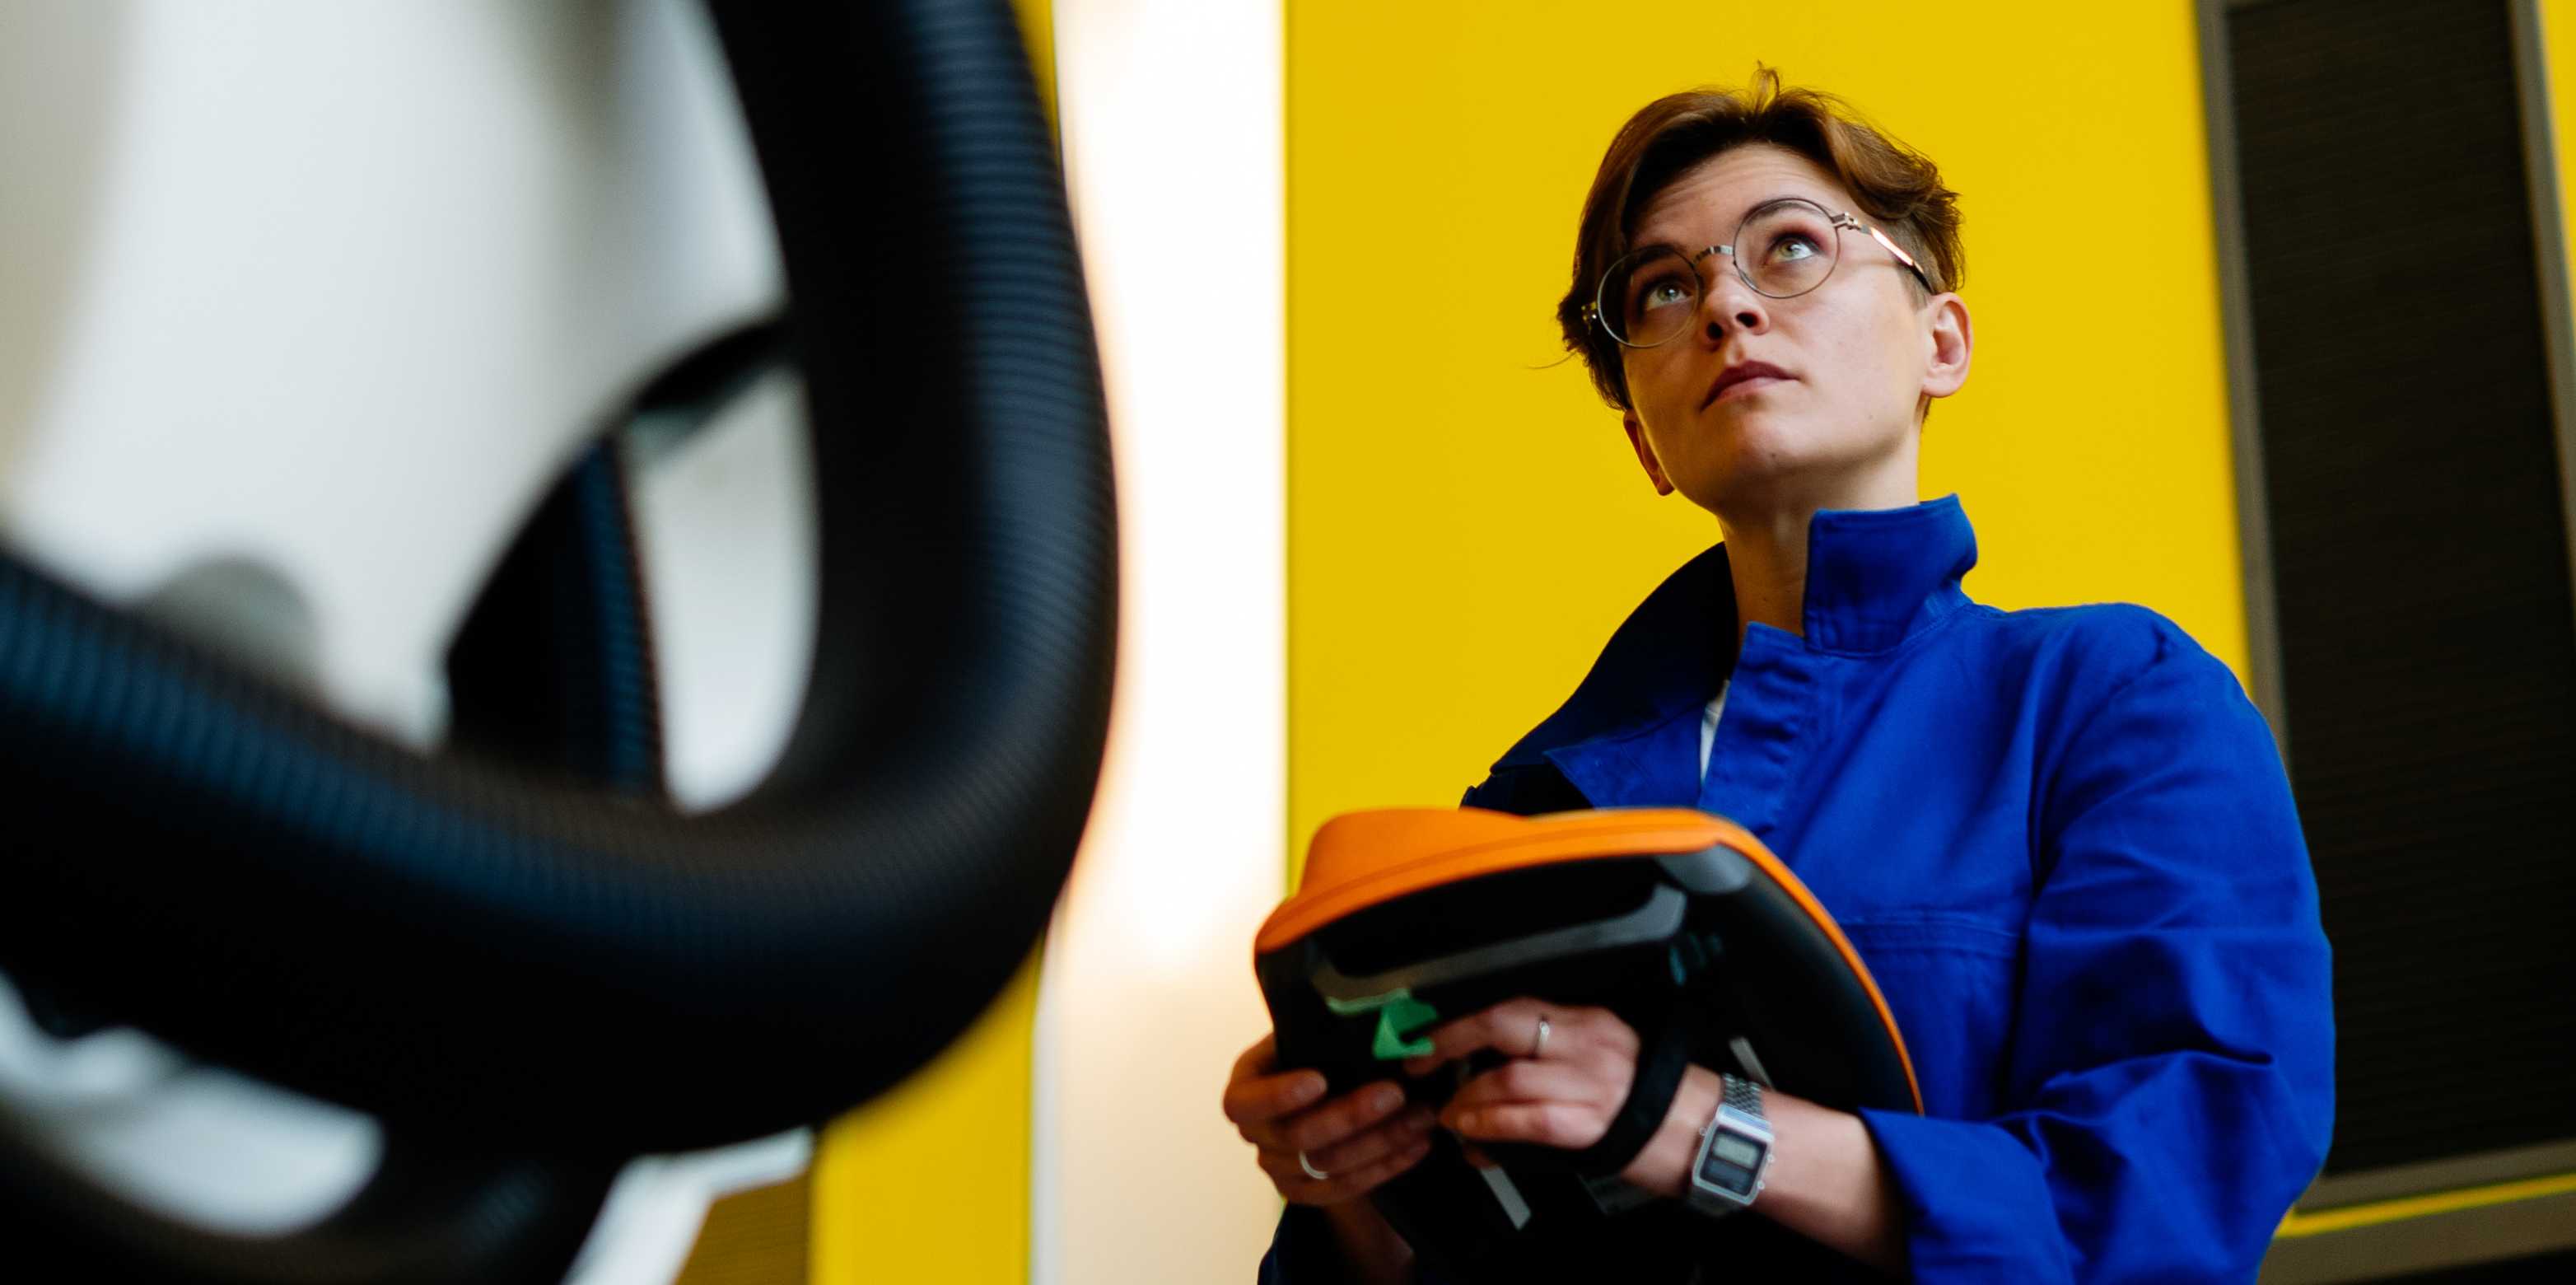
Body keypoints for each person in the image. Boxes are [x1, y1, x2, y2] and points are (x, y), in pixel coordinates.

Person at [1222, 68, 2335, 1282]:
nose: (1725, 309)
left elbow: (2170, 1191)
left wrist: (1689, 1126)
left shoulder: (2113, 703)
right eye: (1665, 287)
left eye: (1791, 249)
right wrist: (1353, 1182)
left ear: (1941, 341)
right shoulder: (1522, 826)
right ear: (1644, 434)